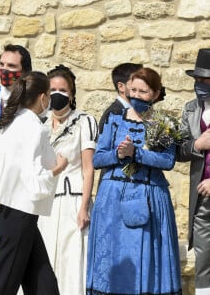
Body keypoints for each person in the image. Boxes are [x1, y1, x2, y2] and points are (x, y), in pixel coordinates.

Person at [86, 68, 182, 295]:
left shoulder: (164, 123)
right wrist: (119, 154)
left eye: (144, 91)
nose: (137, 96)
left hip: (150, 198)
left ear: (156, 93)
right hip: (112, 197)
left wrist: (136, 153)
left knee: (147, 255)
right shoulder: (114, 119)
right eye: (133, 90)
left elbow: (168, 161)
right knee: (114, 255)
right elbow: (98, 158)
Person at [0, 71, 68, 295]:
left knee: (42, 281)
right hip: (20, 213)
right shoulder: (34, 126)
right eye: (50, 94)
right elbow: (33, 178)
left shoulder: (12, 121)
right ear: (43, 97)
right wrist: (57, 169)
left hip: (11, 211)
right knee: (4, 282)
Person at [38, 64, 98, 295]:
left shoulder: (84, 121)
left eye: (63, 90)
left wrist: (84, 207)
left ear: (72, 94)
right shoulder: (40, 124)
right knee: (45, 261)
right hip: (46, 203)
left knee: (71, 262)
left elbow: (88, 168)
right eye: (53, 89)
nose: (57, 94)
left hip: (73, 201)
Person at [177, 48, 210, 295]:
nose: (200, 84)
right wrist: (197, 145)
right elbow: (178, 151)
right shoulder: (190, 109)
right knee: (204, 259)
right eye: (197, 79)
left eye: (205, 79)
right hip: (201, 199)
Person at [98, 63, 143, 185]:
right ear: (121, 87)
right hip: (118, 185)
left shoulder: (140, 113)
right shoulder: (114, 114)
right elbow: (107, 157)